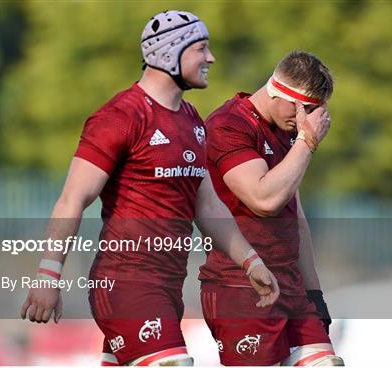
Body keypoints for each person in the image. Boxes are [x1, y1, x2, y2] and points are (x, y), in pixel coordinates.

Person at [19, 10, 279, 367]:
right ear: (170, 54)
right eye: (201, 48)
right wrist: (49, 275)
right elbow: (72, 198)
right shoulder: (121, 116)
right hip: (126, 283)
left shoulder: (192, 121)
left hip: (168, 287)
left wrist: (251, 261)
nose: (211, 58)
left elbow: (209, 207)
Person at [199, 51, 344, 366]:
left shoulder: (289, 133)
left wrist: (314, 294)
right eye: (305, 110)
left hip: (291, 287)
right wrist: (307, 142)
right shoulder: (229, 125)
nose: (306, 121)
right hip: (241, 287)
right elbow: (264, 199)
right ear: (283, 95)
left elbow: (297, 218)